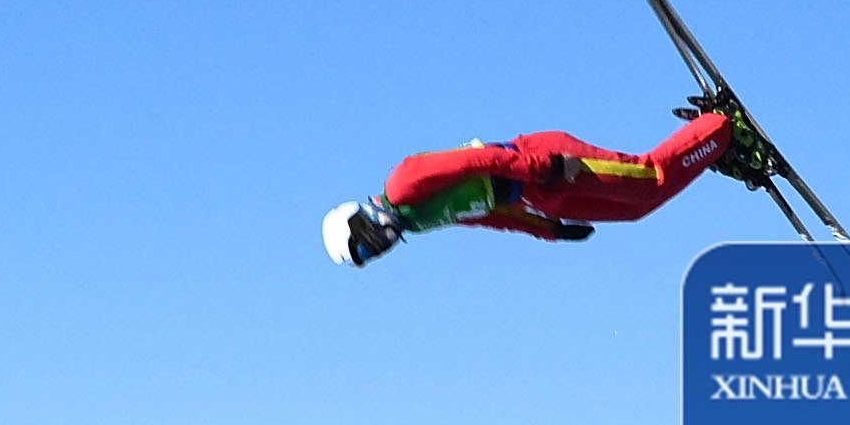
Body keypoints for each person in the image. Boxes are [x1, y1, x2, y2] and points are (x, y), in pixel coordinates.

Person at [323, 102, 776, 266]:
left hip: (541, 161)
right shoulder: (414, 221)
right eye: (370, 255)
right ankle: (715, 150)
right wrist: (549, 230)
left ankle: (721, 127)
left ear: (359, 218)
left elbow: (480, 159)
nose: (378, 247)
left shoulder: (403, 183)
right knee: (637, 209)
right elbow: (490, 216)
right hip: (541, 194)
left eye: (365, 243)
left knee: (646, 177)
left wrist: (546, 168)